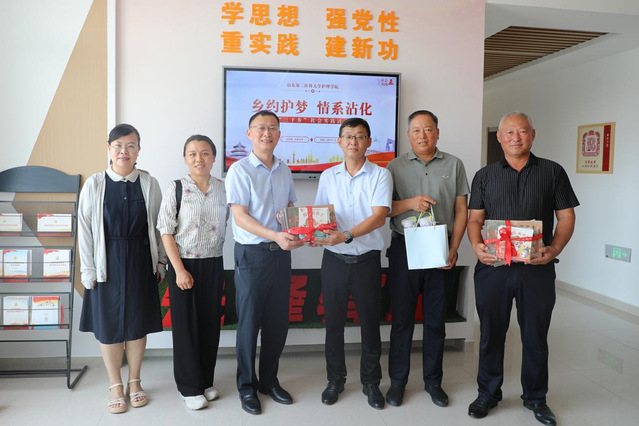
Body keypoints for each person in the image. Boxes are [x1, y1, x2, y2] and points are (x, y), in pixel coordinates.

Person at [466, 112, 579, 426]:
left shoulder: (553, 172)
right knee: (491, 334)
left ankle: (536, 398)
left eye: (523, 131)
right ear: (499, 137)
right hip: (493, 268)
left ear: (533, 134)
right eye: (509, 132)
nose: (516, 137)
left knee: (535, 337)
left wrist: (554, 249)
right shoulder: (484, 176)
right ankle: (488, 393)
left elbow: (566, 216)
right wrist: (476, 245)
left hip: (536, 269)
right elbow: (475, 219)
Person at [78, 124, 166, 414]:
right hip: (106, 261)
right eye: (118, 145)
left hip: (141, 260)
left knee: (137, 324)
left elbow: (160, 225)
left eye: (130, 146)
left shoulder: (150, 183)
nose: (124, 151)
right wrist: (88, 269)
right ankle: (115, 384)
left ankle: (135, 381)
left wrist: (161, 261)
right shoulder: (95, 184)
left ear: (138, 150)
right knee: (109, 326)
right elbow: (85, 230)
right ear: (109, 148)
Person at [385, 110, 469, 408]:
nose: (423, 135)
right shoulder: (393, 167)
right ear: (408, 135)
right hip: (404, 248)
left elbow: (461, 210)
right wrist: (411, 203)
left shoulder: (454, 164)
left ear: (437, 132)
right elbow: (384, 209)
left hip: (440, 248)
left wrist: (454, 248)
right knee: (402, 320)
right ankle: (397, 382)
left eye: (429, 129)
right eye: (417, 130)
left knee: (436, 320)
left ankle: (433, 382)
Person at [225, 110, 304, 415]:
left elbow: (290, 207)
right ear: (249, 134)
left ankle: (269, 381)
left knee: (277, 323)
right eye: (260, 128)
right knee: (249, 324)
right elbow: (240, 217)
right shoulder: (240, 170)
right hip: (253, 255)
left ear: (279, 135)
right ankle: (247, 387)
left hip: (281, 254)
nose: (266, 133)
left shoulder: (284, 170)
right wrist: (275, 234)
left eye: (272, 128)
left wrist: (300, 230)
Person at [313, 117, 392, 410]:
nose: (353, 141)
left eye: (359, 136)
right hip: (333, 260)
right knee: (333, 324)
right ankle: (335, 380)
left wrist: (345, 235)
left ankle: (371, 383)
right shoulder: (328, 175)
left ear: (368, 142)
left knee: (370, 324)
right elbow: (321, 215)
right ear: (339, 142)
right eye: (348, 136)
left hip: (366, 261)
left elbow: (379, 217)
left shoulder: (380, 175)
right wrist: (313, 232)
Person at [156, 135, 228, 410]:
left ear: (214, 157)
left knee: (210, 325)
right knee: (186, 327)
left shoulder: (223, 188)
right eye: (193, 154)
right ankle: (188, 388)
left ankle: (205, 381)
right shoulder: (176, 187)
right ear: (185, 158)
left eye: (205, 153)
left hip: (214, 262)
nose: (199, 158)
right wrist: (178, 270)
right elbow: (165, 231)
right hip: (184, 264)